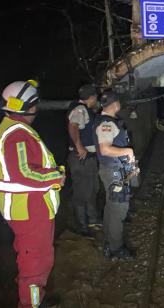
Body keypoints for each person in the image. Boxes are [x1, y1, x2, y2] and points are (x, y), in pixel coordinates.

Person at [0, 80, 64, 307]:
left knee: (33, 257)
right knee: (35, 264)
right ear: (30, 107)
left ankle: (37, 298)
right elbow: (24, 173)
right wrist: (56, 176)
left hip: (29, 209)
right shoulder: (17, 133)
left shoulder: (12, 127)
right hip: (30, 210)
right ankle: (33, 303)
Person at [93, 90, 137, 259]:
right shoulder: (107, 123)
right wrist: (128, 151)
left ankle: (109, 242)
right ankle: (116, 249)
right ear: (116, 104)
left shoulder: (104, 121)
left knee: (111, 206)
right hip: (114, 172)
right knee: (118, 208)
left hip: (112, 170)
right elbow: (105, 149)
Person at [67, 84, 100, 236]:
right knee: (81, 192)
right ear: (92, 97)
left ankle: (92, 220)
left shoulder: (85, 110)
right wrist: (79, 146)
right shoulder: (80, 109)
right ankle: (82, 226)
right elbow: (73, 126)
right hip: (81, 158)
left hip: (89, 158)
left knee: (91, 189)